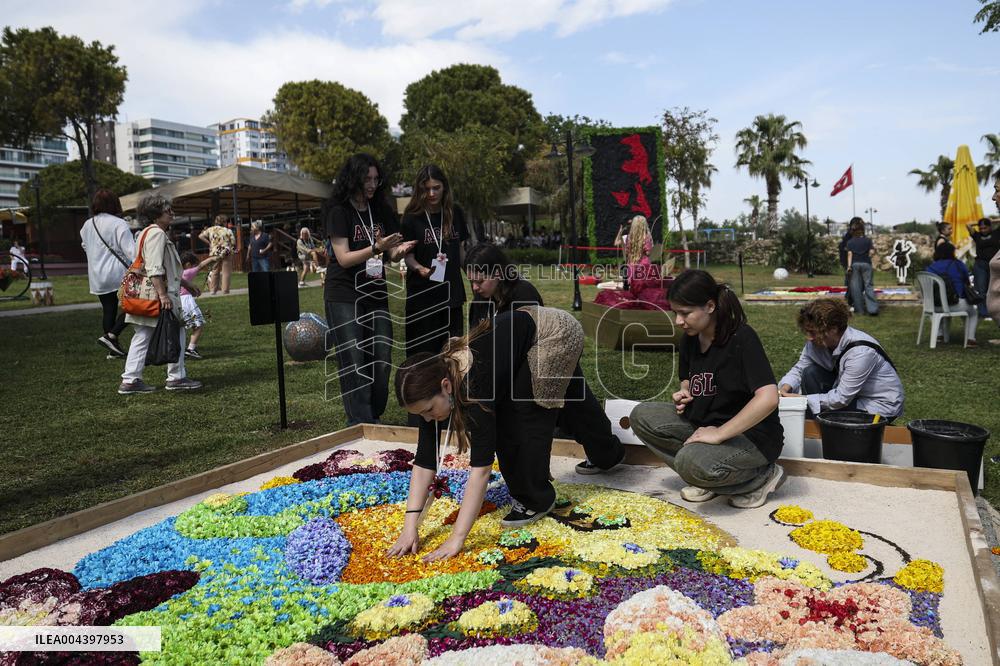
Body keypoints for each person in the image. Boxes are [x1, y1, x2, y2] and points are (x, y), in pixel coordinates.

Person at [388, 306, 626, 561]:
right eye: (421, 414)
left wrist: (457, 538)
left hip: (555, 335)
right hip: (530, 331)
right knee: (570, 393)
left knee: (521, 417)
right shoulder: (432, 388)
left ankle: (536, 498)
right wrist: (409, 526)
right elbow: (425, 461)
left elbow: (481, 469)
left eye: (428, 410)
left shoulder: (475, 386)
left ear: (446, 386)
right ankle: (608, 453)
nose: (427, 418)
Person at [628, 269, 785, 509]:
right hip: (704, 423)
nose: (678, 321)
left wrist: (719, 434)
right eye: (675, 313)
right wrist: (685, 393)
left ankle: (761, 478)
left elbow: (769, 398)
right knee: (641, 416)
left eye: (685, 313)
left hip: (751, 437)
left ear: (710, 306)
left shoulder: (741, 337)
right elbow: (689, 380)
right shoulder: (690, 338)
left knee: (689, 463)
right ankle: (708, 476)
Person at [324, 153, 415, 426]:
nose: (372, 184)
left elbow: (391, 252)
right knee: (353, 356)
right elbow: (343, 257)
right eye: (367, 179)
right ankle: (361, 421)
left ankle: (373, 412)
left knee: (382, 356)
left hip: (375, 293)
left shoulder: (381, 209)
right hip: (344, 293)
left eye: (376, 179)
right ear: (353, 179)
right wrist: (377, 248)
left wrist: (400, 251)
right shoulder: (338, 210)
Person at [401, 165, 470, 426]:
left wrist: (473, 274)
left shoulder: (455, 214)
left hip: (451, 295)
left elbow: (461, 251)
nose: (431, 193)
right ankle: (419, 412)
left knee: (451, 356)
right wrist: (418, 268)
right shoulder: (411, 218)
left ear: (445, 187)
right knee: (422, 356)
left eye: (436, 188)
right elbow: (407, 254)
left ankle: (450, 410)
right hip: (422, 298)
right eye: (426, 188)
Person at [119, 194, 202, 394]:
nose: (172, 213)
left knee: (143, 335)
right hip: (157, 295)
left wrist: (185, 283)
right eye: (167, 210)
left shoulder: (145, 233)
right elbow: (155, 267)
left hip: (144, 294)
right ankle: (176, 377)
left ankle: (130, 379)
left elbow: (158, 267)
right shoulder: (157, 234)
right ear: (155, 214)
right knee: (176, 330)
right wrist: (163, 295)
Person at [779, 298, 904, 420]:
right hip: (850, 395)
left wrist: (803, 400)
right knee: (810, 372)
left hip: (877, 403)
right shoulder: (818, 342)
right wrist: (784, 388)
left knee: (809, 408)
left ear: (833, 329)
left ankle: (818, 425)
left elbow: (841, 398)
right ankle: (816, 422)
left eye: (813, 332)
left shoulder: (860, 352)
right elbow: (800, 368)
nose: (809, 337)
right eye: (807, 331)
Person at [80, 188, 137, 358]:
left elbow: (85, 246)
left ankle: (113, 349)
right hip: (117, 273)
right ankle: (111, 336)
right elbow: (130, 251)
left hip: (97, 275)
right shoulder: (118, 223)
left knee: (109, 310)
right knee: (135, 305)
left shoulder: (87, 225)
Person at [927, 242, 980, 347]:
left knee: (938, 310)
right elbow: (967, 282)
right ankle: (970, 339)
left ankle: (939, 335)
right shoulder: (958, 264)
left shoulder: (930, 267)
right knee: (972, 312)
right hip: (956, 304)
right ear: (952, 252)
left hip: (934, 306)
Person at [179, 251, 218, 360]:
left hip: (179, 301)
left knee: (182, 327)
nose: (194, 267)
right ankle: (191, 349)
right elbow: (201, 266)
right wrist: (213, 258)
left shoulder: (177, 272)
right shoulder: (187, 272)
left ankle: (181, 350)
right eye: (193, 265)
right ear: (187, 264)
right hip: (187, 302)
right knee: (198, 325)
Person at [966, 217, 999, 318]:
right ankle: (983, 313)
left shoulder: (996, 233)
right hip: (980, 265)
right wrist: (979, 222)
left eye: (985, 227)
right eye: (981, 228)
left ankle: (994, 311)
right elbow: (968, 224)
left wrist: (992, 221)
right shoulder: (977, 235)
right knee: (981, 290)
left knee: (994, 289)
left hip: (994, 265)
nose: (983, 230)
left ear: (990, 227)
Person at [846, 219, 879, 316]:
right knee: (868, 286)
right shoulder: (868, 241)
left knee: (856, 287)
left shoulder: (850, 242)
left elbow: (849, 254)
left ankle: (859, 310)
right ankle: (872, 310)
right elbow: (872, 252)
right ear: (862, 230)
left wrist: (848, 266)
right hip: (866, 264)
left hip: (855, 264)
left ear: (853, 231)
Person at [199, 215, 236, 294]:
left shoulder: (210, 229)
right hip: (226, 252)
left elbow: (200, 236)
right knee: (226, 272)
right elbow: (233, 242)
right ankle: (225, 290)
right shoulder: (228, 231)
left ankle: (213, 291)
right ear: (224, 222)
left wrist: (209, 243)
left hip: (214, 252)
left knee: (215, 271)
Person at [838, 219, 859, 309]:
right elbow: (847, 249)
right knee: (852, 281)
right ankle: (850, 301)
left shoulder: (849, 236)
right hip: (849, 262)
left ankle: (849, 297)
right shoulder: (850, 236)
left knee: (851, 281)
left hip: (848, 261)